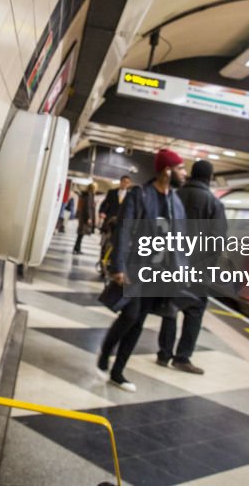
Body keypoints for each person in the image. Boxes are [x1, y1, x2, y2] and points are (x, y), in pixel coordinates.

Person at [97, 149, 186, 392]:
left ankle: (117, 372)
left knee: (138, 321)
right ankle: (106, 350)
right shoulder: (141, 195)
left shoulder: (175, 201)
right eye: (180, 168)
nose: (184, 173)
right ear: (167, 171)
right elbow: (124, 230)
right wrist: (118, 265)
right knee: (131, 315)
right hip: (136, 267)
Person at [156, 159, 227, 374]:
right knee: (194, 312)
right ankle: (182, 357)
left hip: (172, 263)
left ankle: (163, 353)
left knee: (170, 308)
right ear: (209, 178)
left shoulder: (174, 196)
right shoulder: (214, 204)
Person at [73, 182, 98, 254]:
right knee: (81, 234)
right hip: (85, 218)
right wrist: (89, 217)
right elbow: (88, 207)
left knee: (81, 234)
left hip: (83, 217)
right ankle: (77, 248)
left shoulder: (87, 195)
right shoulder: (89, 196)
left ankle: (77, 248)